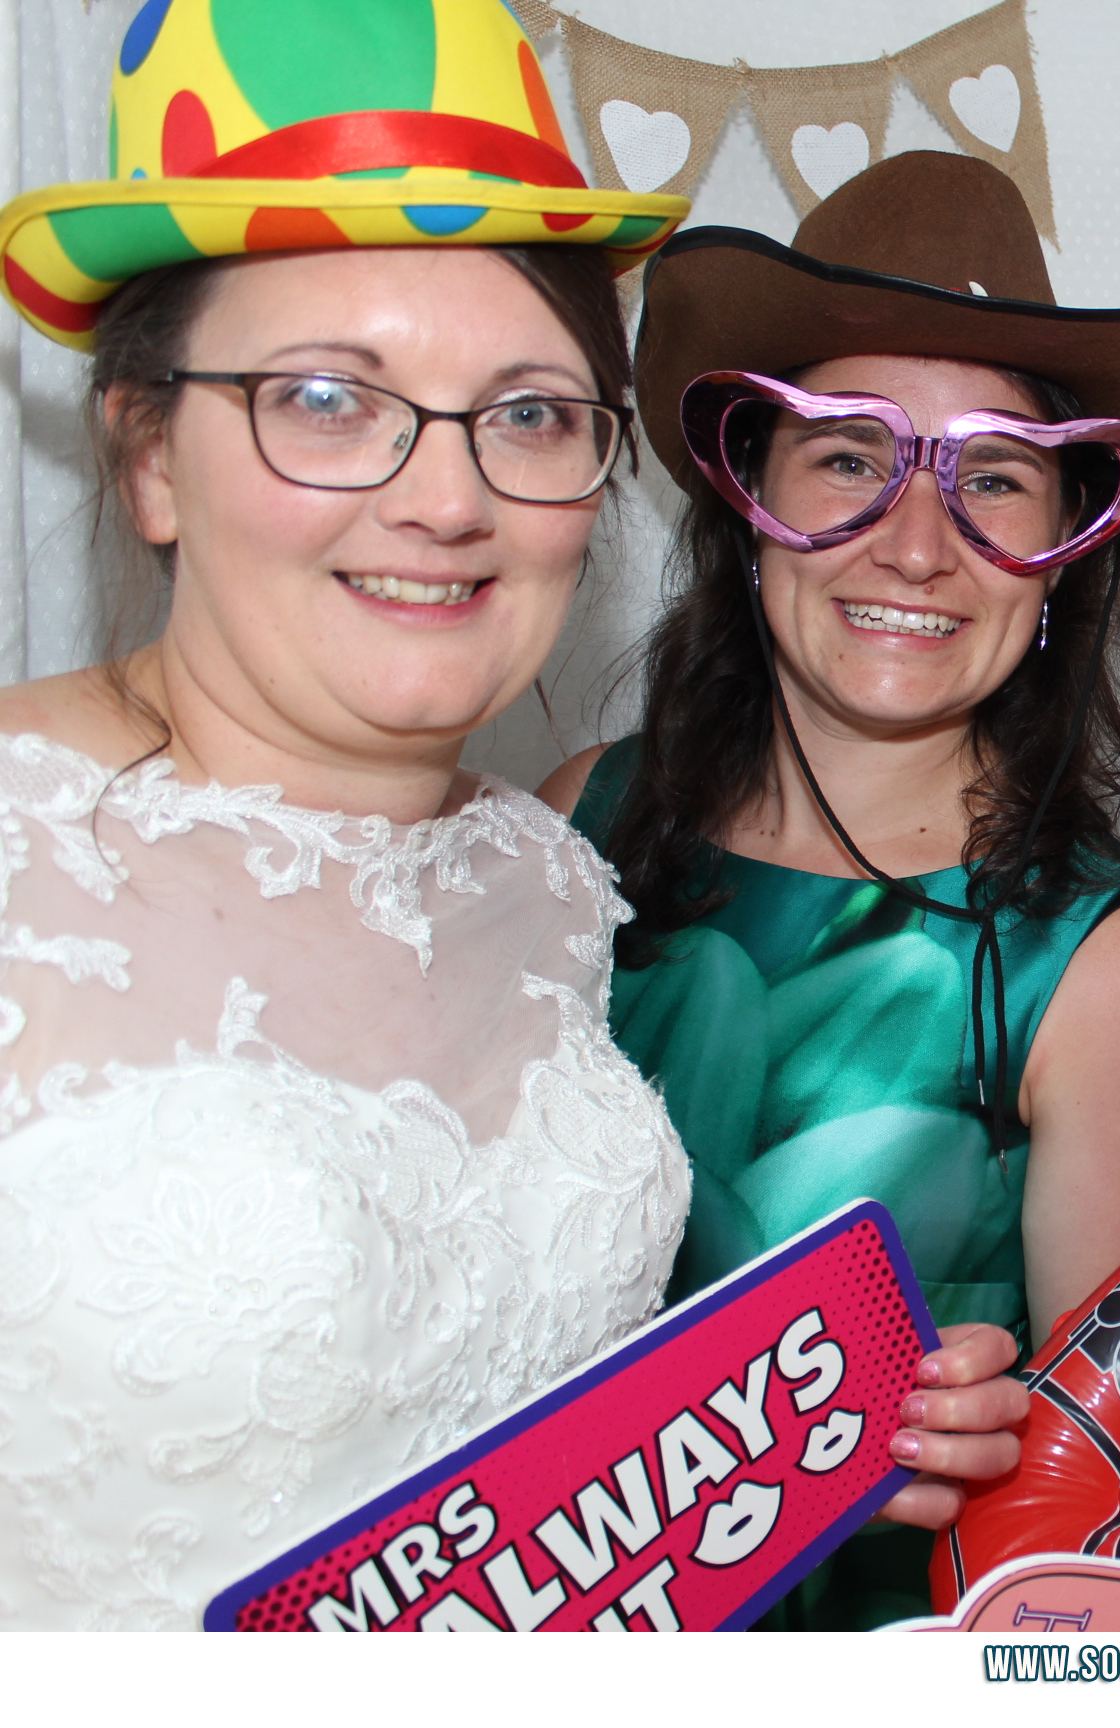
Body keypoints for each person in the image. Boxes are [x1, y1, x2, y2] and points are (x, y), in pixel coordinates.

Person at [0, 0, 693, 1629]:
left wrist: (783, 1439)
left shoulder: (546, 879)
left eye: (530, 413)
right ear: (150, 454)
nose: (448, 499)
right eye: (328, 397)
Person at [538, 152, 1120, 1629]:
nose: (919, 544)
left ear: (1060, 555)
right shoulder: (568, 825)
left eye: (993, 475)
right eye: (852, 453)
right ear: (748, 501)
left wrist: (1006, 1456)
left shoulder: (1099, 977)